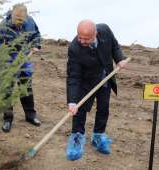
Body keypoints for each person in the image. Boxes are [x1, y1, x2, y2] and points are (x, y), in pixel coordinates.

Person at [66, 20, 128, 160]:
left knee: (103, 108)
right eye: (79, 36)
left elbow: (114, 45)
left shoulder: (105, 30)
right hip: (86, 80)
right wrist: (72, 101)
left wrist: (119, 59)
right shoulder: (74, 48)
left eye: (86, 38)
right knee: (79, 110)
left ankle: (98, 136)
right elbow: (73, 76)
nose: (81, 40)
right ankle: (77, 137)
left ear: (96, 33)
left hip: (105, 76)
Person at [0, 3, 41, 133]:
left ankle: (30, 115)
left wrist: (36, 45)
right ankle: (8, 118)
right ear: (12, 14)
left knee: (26, 86)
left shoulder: (30, 22)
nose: (19, 22)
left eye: (21, 20)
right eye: (17, 19)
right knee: (7, 89)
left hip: (24, 56)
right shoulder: (3, 26)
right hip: (8, 56)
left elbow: (36, 35)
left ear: (26, 17)